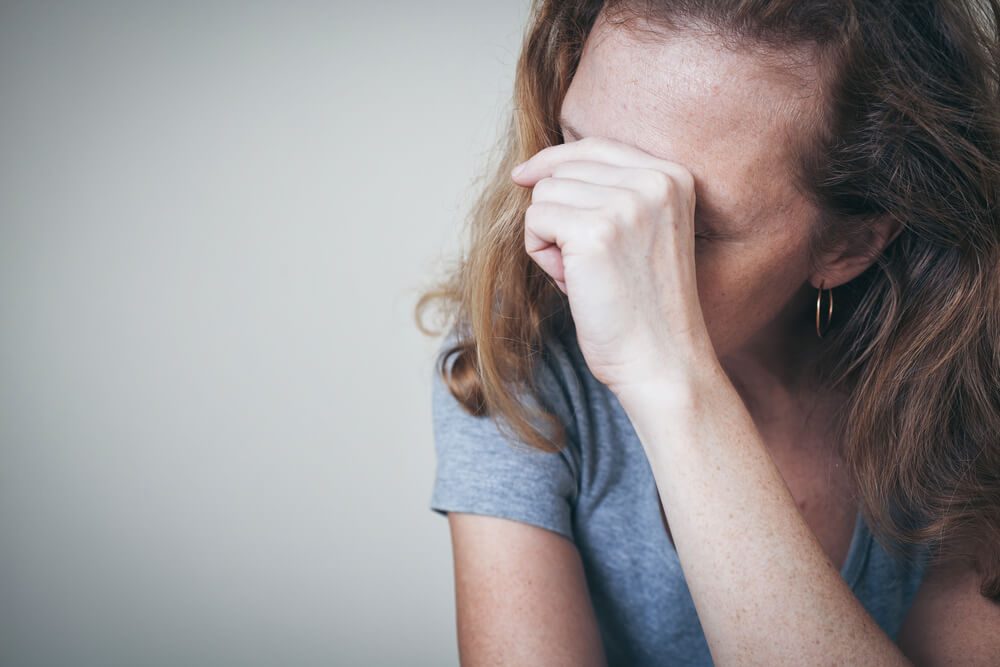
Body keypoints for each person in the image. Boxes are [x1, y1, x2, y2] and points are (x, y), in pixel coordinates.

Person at [414, 1, 1000, 664]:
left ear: (850, 243)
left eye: (682, 224)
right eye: (577, 156)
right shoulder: (517, 351)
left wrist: (668, 380)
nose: (576, 244)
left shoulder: (974, 380)